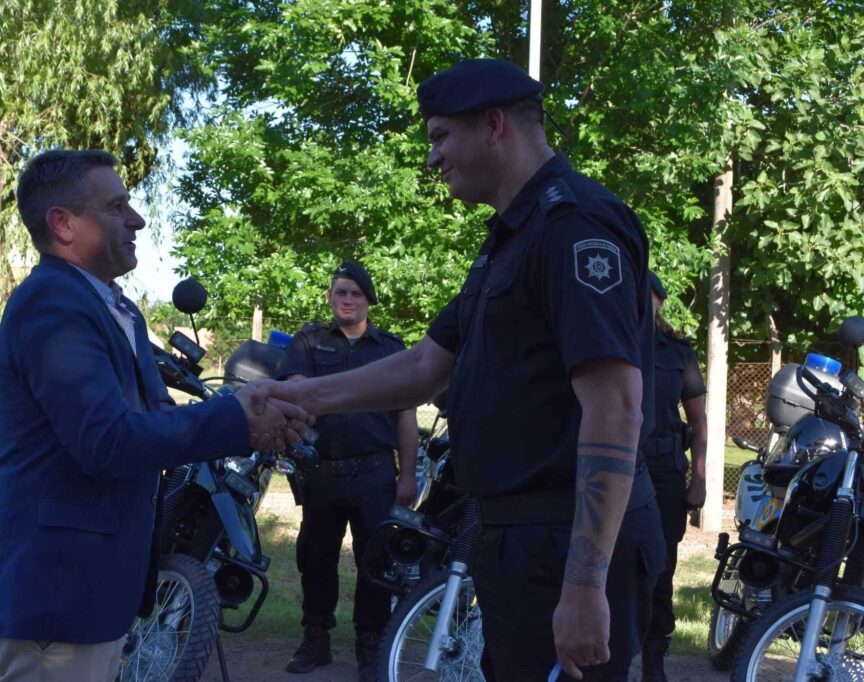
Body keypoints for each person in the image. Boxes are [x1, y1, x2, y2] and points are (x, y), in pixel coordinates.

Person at [259, 58, 667, 681]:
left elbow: (616, 408)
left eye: (441, 137)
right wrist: (297, 395)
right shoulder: (510, 237)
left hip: (564, 543)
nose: (433, 158)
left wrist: (586, 586)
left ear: (495, 125)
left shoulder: (574, 225)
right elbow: (425, 367)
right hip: (516, 536)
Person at [0, 149, 308, 682]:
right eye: (117, 205)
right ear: (63, 223)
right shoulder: (52, 304)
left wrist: (251, 420)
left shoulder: (114, 306)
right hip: (53, 592)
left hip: (90, 589)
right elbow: (107, 443)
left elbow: (158, 423)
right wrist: (237, 419)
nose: (138, 219)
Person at [277, 261, 418, 682]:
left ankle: (370, 643)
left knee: (375, 561)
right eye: (341, 292)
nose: (348, 300)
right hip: (321, 472)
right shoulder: (308, 341)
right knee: (316, 557)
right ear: (330, 296)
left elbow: (406, 416)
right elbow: (296, 387)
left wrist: (407, 475)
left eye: (356, 293)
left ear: (368, 300)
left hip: (375, 472)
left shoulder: (391, 348)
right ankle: (315, 638)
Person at [639, 273, 707, 682]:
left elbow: (698, 421)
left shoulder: (678, 353)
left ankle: (654, 661)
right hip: (614, 469)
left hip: (664, 472)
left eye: (647, 296)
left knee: (661, 566)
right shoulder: (607, 342)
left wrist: (698, 478)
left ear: (660, 301)